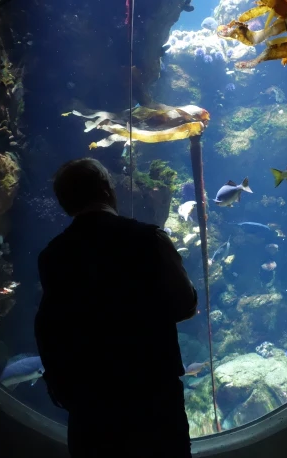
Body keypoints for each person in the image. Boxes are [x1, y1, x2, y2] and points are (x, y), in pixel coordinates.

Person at [35, 157, 198, 458]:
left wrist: (60, 385)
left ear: (65, 203)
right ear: (108, 190)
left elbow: (48, 326)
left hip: (90, 404)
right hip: (152, 396)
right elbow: (185, 305)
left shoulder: (52, 256)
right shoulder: (150, 239)